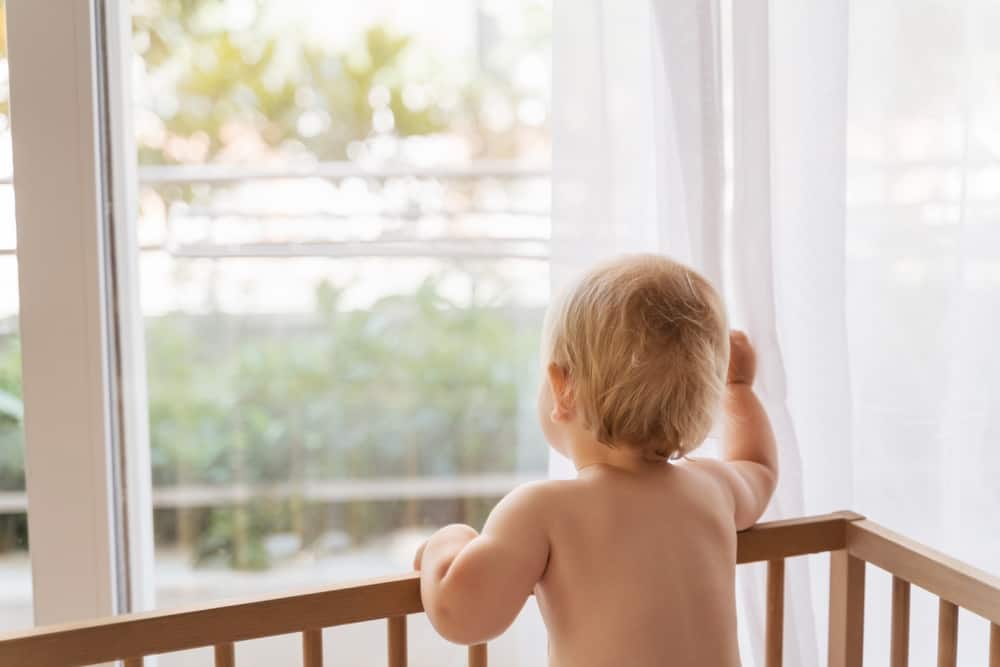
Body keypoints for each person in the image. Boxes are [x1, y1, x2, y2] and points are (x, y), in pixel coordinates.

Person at [413, 254, 778, 666]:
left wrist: (447, 543)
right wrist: (741, 388)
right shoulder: (712, 488)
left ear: (561, 387)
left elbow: (460, 615)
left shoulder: (542, 510)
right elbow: (758, 468)